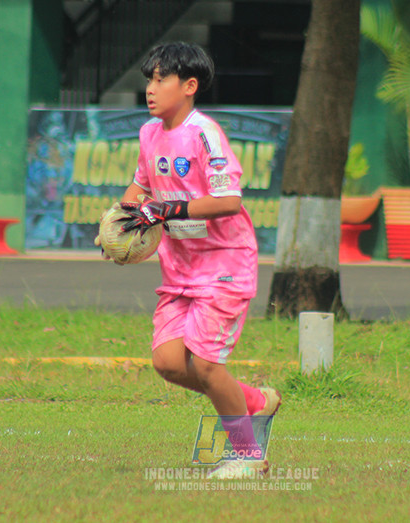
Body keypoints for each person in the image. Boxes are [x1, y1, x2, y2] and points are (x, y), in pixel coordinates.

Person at [107, 41, 281, 478]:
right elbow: (141, 187)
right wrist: (118, 226)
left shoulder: (205, 134)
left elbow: (227, 200)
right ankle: (256, 401)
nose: (150, 87)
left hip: (225, 263)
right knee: (168, 362)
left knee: (206, 365)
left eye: (161, 78)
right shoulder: (149, 133)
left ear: (189, 86)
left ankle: (247, 455)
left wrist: (168, 211)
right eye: (149, 78)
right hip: (180, 269)